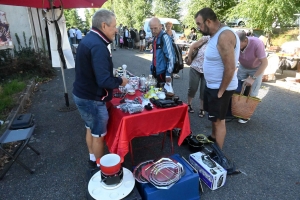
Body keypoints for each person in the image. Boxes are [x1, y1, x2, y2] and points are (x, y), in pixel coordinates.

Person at [72, 9, 129, 168]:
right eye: (114, 26)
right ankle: (100, 168)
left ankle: (92, 159)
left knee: (90, 128)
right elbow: (104, 80)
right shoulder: (98, 45)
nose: (116, 30)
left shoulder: (89, 39)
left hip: (82, 94)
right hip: (92, 99)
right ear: (104, 25)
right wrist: (120, 81)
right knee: (98, 135)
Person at [194, 8, 240, 149]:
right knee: (214, 118)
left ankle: (217, 154)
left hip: (220, 88)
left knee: (219, 121)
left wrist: (221, 91)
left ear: (208, 21)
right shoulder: (215, 34)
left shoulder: (224, 36)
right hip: (212, 86)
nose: (198, 28)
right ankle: (213, 138)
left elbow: (230, 67)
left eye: (199, 24)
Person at [236, 30, 268, 124]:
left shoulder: (257, 43)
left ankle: (245, 115)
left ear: (245, 41)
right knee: (237, 88)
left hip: (256, 67)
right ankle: (236, 110)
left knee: (252, 93)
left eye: (238, 44)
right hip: (243, 66)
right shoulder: (235, 43)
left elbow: (265, 63)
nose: (236, 46)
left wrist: (253, 78)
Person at [185, 36, 210, 117]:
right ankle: (189, 104)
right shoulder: (206, 38)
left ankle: (202, 108)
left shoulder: (219, 41)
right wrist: (189, 58)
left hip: (207, 70)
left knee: (204, 90)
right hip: (195, 67)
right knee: (193, 88)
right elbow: (193, 46)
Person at [149, 17, 175, 87]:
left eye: (155, 28)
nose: (153, 31)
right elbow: (155, 56)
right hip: (156, 71)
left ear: (160, 26)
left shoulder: (165, 37)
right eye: (151, 29)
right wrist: (152, 70)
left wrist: (168, 74)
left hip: (163, 73)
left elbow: (171, 57)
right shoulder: (155, 38)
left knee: (164, 95)